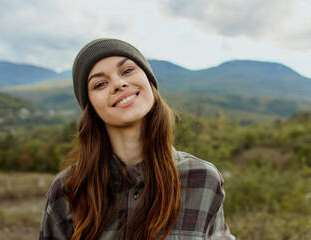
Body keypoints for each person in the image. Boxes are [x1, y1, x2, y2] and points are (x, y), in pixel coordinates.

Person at [39, 38, 235, 240]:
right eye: (100, 84)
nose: (118, 83)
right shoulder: (68, 190)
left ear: (149, 82)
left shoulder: (203, 180)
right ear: (91, 107)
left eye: (127, 70)